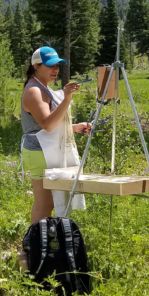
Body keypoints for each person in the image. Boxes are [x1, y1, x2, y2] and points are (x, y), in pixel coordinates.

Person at [20, 47, 92, 223]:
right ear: (36, 66)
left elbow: (47, 123)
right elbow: (47, 124)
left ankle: (42, 242)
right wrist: (67, 99)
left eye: (58, 66)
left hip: (47, 150)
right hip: (40, 152)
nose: (56, 70)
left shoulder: (43, 88)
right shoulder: (33, 91)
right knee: (44, 203)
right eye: (51, 65)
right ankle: (33, 245)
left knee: (49, 203)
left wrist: (74, 127)